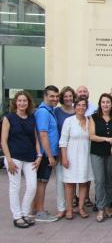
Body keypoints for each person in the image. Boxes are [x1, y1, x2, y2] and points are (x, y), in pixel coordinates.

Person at [1, 91, 41, 228]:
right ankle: (17, 216)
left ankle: (24, 213)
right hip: (14, 158)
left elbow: (35, 139)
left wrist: (39, 155)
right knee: (15, 187)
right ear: (15, 102)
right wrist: (8, 160)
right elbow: (3, 141)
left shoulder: (31, 118)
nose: (22, 103)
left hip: (30, 158)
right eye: (19, 101)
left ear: (28, 103)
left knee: (32, 186)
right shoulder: (8, 118)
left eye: (25, 101)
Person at [59, 98, 93, 220]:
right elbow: (63, 142)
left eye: (84, 105)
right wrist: (64, 157)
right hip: (71, 156)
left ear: (86, 107)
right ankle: (69, 209)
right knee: (70, 183)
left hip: (85, 156)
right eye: (78, 105)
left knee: (83, 182)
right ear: (75, 107)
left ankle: (81, 208)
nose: (81, 107)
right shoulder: (68, 121)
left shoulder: (90, 121)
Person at [33, 85, 61, 222]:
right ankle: (40, 212)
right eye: (52, 96)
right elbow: (43, 135)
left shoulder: (50, 111)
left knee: (40, 182)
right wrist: (49, 156)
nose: (55, 99)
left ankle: (35, 209)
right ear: (45, 96)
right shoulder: (43, 112)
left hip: (48, 154)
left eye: (57, 96)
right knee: (41, 183)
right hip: (45, 155)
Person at [89, 93, 112, 222]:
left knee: (110, 181)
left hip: (111, 154)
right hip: (97, 153)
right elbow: (92, 136)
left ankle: (107, 206)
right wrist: (106, 139)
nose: (105, 104)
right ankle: (100, 208)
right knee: (99, 181)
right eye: (103, 102)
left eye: (108, 102)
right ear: (100, 104)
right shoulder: (94, 117)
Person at [53, 86, 77, 212]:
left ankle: (70, 204)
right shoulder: (56, 111)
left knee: (71, 180)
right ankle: (61, 208)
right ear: (62, 98)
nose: (68, 98)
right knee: (60, 180)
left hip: (74, 151)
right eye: (65, 96)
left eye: (70, 96)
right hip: (60, 150)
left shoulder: (77, 111)